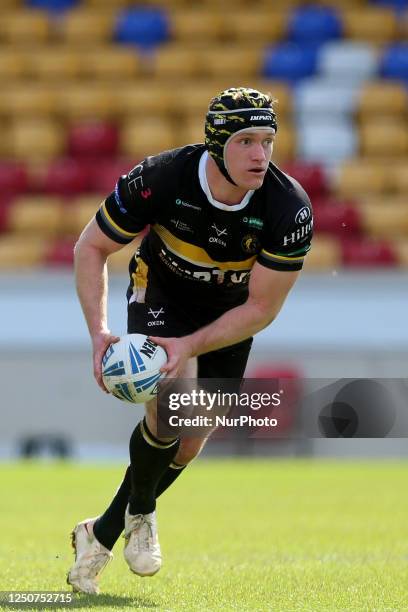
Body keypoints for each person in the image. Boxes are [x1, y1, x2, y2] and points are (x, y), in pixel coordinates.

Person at [67, 87, 313, 594]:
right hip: (161, 292)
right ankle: (145, 514)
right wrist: (99, 334)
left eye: (267, 140)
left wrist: (193, 345)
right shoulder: (161, 177)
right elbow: (90, 248)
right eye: (246, 141)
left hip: (231, 314)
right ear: (217, 143)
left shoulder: (289, 209)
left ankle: (102, 531)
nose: (260, 154)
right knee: (171, 404)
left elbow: (261, 309)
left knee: (193, 437)